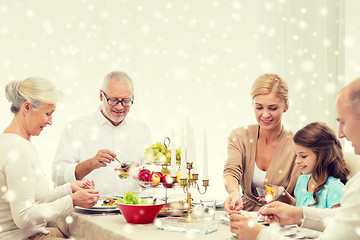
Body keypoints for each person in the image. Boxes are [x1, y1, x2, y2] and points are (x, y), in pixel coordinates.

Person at [229, 77, 360, 239]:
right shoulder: (240, 136)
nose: (340, 134)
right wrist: (295, 213)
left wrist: (260, 234)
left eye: (343, 122)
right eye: (258, 107)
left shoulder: (344, 188)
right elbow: (339, 217)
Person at [0, 77, 99, 239]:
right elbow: (24, 216)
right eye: (48, 114)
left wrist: (69, 188)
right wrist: (72, 200)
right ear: (27, 107)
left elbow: (33, 199)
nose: (50, 122)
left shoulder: (10, 141)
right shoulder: (18, 150)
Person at [52, 71, 151, 196]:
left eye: (126, 101)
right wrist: (90, 164)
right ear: (101, 96)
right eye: (114, 100)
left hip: (133, 211)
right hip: (89, 212)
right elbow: (57, 176)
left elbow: (152, 176)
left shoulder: (141, 129)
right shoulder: (76, 129)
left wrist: (141, 174)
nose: (120, 107)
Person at [223, 73, 301, 211]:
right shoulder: (239, 136)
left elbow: (302, 200)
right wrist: (234, 193)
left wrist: (283, 196)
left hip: (282, 221)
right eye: (259, 107)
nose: (265, 115)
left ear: (286, 106)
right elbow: (231, 171)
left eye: (273, 108)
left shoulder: (298, 146)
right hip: (246, 216)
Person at [280, 122, 348, 208]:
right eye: (296, 155)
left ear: (322, 155)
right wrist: (286, 198)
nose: (297, 161)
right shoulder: (302, 180)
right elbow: (301, 206)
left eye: (303, 156)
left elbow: (335, 220)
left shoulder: (335, 189)